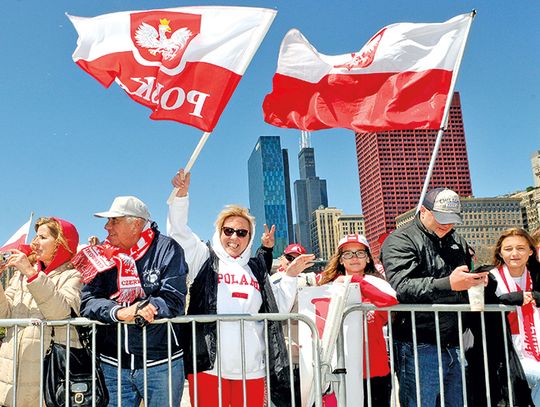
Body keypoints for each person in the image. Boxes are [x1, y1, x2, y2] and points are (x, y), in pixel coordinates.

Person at [167, 169, 309, 407]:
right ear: (219, 232)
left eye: (242, 232)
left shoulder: (255, 268)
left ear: (249, 237)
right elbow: (179, 234)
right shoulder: (204, 258)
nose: (234, 237)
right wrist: (181, 197)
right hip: (209, 366)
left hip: (252, 368)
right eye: (228, 230)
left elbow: (277, 309)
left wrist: (291, 277)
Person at [381, 188, 488, 407]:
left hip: (454, 342)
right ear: (423, 211)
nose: (446, 225)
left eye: (451, 220)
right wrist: (449, 283)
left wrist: (476, 280)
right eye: (441, 218)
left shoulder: (456, 239)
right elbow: (402, 286)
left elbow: (461, 277)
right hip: (418, 344)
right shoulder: (399, 240)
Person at [77, 196, 188, 407]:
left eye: (114, 221)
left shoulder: (168, 249)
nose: (106, 227)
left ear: (136, 224)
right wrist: (119, 312)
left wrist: (144, 309)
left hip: (161, 364)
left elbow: (174, 299)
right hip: (113, 365)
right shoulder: (103, 253)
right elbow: (88, 301)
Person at [0, 217, 82, 407]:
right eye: (35, 237)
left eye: (42, 237)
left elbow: (60, 313)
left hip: (48, 381)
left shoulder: (74, 275)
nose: (34, 243)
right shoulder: (20, 276)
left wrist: (32, 274)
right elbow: (4, 315)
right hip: (11, 382)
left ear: (61, 243)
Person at [317, 234, 398, 407]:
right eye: (348, 254)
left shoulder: (377, 282)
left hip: (374, 368)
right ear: (340, 260)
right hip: (340, 368)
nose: (354, 258)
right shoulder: (329, 287)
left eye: (360, 253)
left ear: (368, 258)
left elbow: (391, 301)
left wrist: (354, 280)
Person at [489, 228, 540, 406]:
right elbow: (481, 303)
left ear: (531, 251)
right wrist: (511, 299)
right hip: (507, 357)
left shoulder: (537, 276)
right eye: (508, 249)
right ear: (500, 252)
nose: (515, 253)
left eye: (521, 248)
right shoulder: (490, 278)